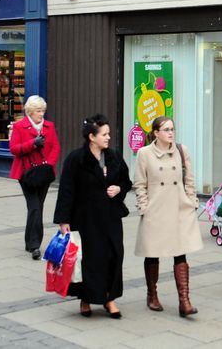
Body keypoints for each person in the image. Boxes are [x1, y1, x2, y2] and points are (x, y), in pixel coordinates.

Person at [54, 115, 132, 319]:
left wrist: (119, 189)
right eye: (104, 134)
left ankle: (109, 297)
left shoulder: (114, 156)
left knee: (114, 255)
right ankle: (86, 298)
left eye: (108, 134)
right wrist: (64, 220)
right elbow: (67, 190)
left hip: (111, 217)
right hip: (86, 219)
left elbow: (126, 181)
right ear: (91, 137)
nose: (108, 137)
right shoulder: (76, 159)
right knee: (90, 259)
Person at [134, 116, 203, 316]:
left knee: (180, 252)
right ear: (156, 133)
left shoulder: (181, 151)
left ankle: (184, 301)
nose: (171, 133)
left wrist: (191, 202)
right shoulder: (144, 154)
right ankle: (152, 294)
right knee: (153, 252)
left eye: (172, 129)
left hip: (178, 207)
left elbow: (189, 179)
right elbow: (139, 183)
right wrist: (144, 207)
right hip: (155, 209)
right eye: (166, 129)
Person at [9, 96, 60, 260]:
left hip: (43, 173)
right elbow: (14, 149)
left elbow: (55, 147)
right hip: (27, 174)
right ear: (30, 112)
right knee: (35, 208)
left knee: (38, 207)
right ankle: (34, 245)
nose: (41, 114)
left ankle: (28, 240)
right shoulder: (19, 126)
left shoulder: (49, 126)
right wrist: (33, 143)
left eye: (43, 111)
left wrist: (49, 164)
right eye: (38, 111)